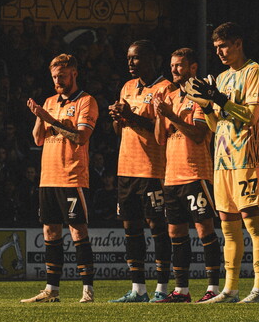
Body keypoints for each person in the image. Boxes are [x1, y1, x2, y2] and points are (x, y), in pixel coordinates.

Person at [188, 22, 259, 303]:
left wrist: (219, 99)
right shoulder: (221, 78)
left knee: (252, 222)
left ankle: (258, 289)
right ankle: (230, 290)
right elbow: (214, 125)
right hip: (222, 159)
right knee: (227, 225)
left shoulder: (255, 72)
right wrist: (204, 104)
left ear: (238, 43)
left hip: (248, 155)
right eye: (216, 48)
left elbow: (251, 117)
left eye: (224, 46)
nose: (220, 52)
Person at [21, 54, 98, 303]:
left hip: (72, 176)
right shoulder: (50, 101)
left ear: (74, 73)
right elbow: (37, 139)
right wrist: (39, 115)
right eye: (54, 77)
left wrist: (50, 120)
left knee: (77, 231)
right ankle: (51, 289)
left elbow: (80, 138)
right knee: (50, 231)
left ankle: (88, 290)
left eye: (62, 76)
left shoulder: (86, 101)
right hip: (48, 177)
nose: (58, 81)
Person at [151, 47, 222, 303]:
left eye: (179, 65)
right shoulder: (170, 97)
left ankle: (213, 288)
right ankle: (181, 290)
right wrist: (161, 115)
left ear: (193, 68)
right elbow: (160, 139)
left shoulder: (201, 96)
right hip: (172, 177)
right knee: (176, 235)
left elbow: (200, 134)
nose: (174, 69)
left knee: (205, 232)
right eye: (172, 65)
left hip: (196, 173)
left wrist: (170, 116)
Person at [108, 40, 172, 303]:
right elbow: (119, 130)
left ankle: (162, 288)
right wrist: (117, 118)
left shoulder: (165, 88)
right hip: (126, 168)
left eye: (135, 58)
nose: (130, 63)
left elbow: (161, 130)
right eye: (128, 58)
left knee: (157, 227)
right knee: (131, 228)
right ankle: (138, 288)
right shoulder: (127, 87)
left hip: (152, 168)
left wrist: (131, 117)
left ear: (151, 58)